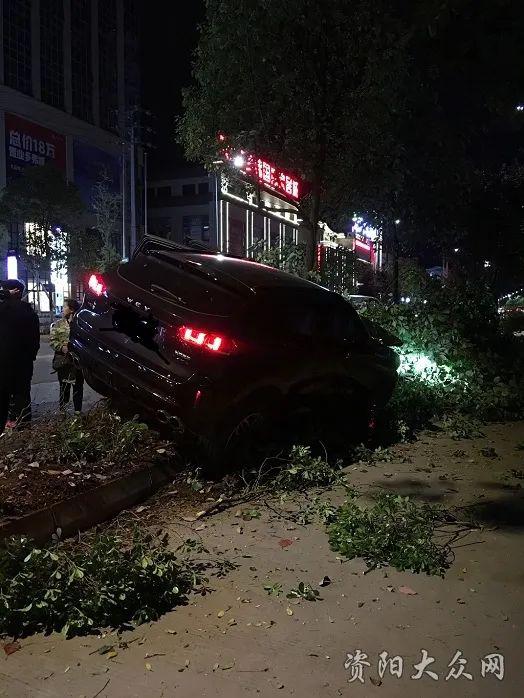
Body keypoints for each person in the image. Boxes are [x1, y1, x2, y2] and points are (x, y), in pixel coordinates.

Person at [0, 279, 40, 435]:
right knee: (23, 396)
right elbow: (35, 341)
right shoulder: (30, 313)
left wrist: (4, 294)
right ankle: (24, 430)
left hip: (2, 364)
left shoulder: (2, 311)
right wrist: (30, 357)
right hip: (23, 364)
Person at [49, 298, 84, 413]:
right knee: (64, 388)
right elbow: (52, 340)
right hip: (63, 361)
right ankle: (63, 412)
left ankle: (77, 412)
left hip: (77, 362)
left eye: (65, 307)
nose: (63, 309)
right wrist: (61, 347)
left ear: (72, 309)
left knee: (78, 388)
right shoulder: (58, 324)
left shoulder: (81, 324)